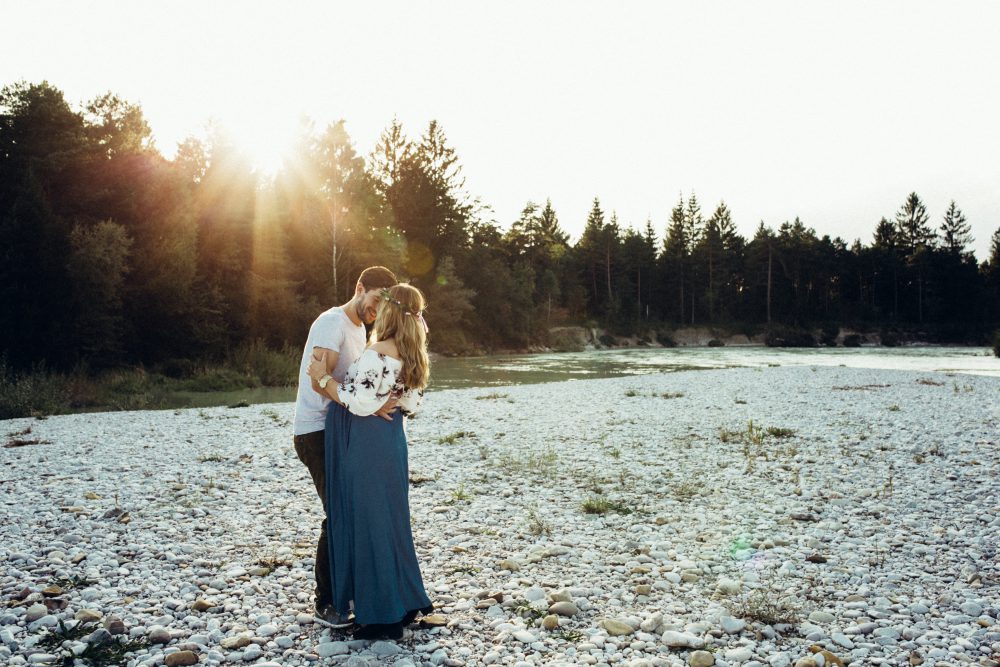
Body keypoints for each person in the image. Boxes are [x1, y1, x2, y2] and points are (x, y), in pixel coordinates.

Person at [307, 283, 434, 640]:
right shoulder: (414, 353)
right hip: (392, 441)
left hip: (366, 445)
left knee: (369, 523)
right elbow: (410, 405)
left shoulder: (377, 351)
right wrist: (384, 402)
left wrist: (322, 379)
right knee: (390, 521)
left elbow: (357, 401)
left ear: (391, 312)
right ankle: (404, 602)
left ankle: (382, 617)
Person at [292, 266, 398, 627]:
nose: (378, 309)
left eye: (385, 304)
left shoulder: (359, 329)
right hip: (315, 432)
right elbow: (319, 379)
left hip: (337, 432)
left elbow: (357, 385)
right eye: (375, 299)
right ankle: (325, 602)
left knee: (348, 512)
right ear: (359, 288)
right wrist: (369, 405)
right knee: (337, 514)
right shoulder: (332, 322)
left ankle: (347, 591)